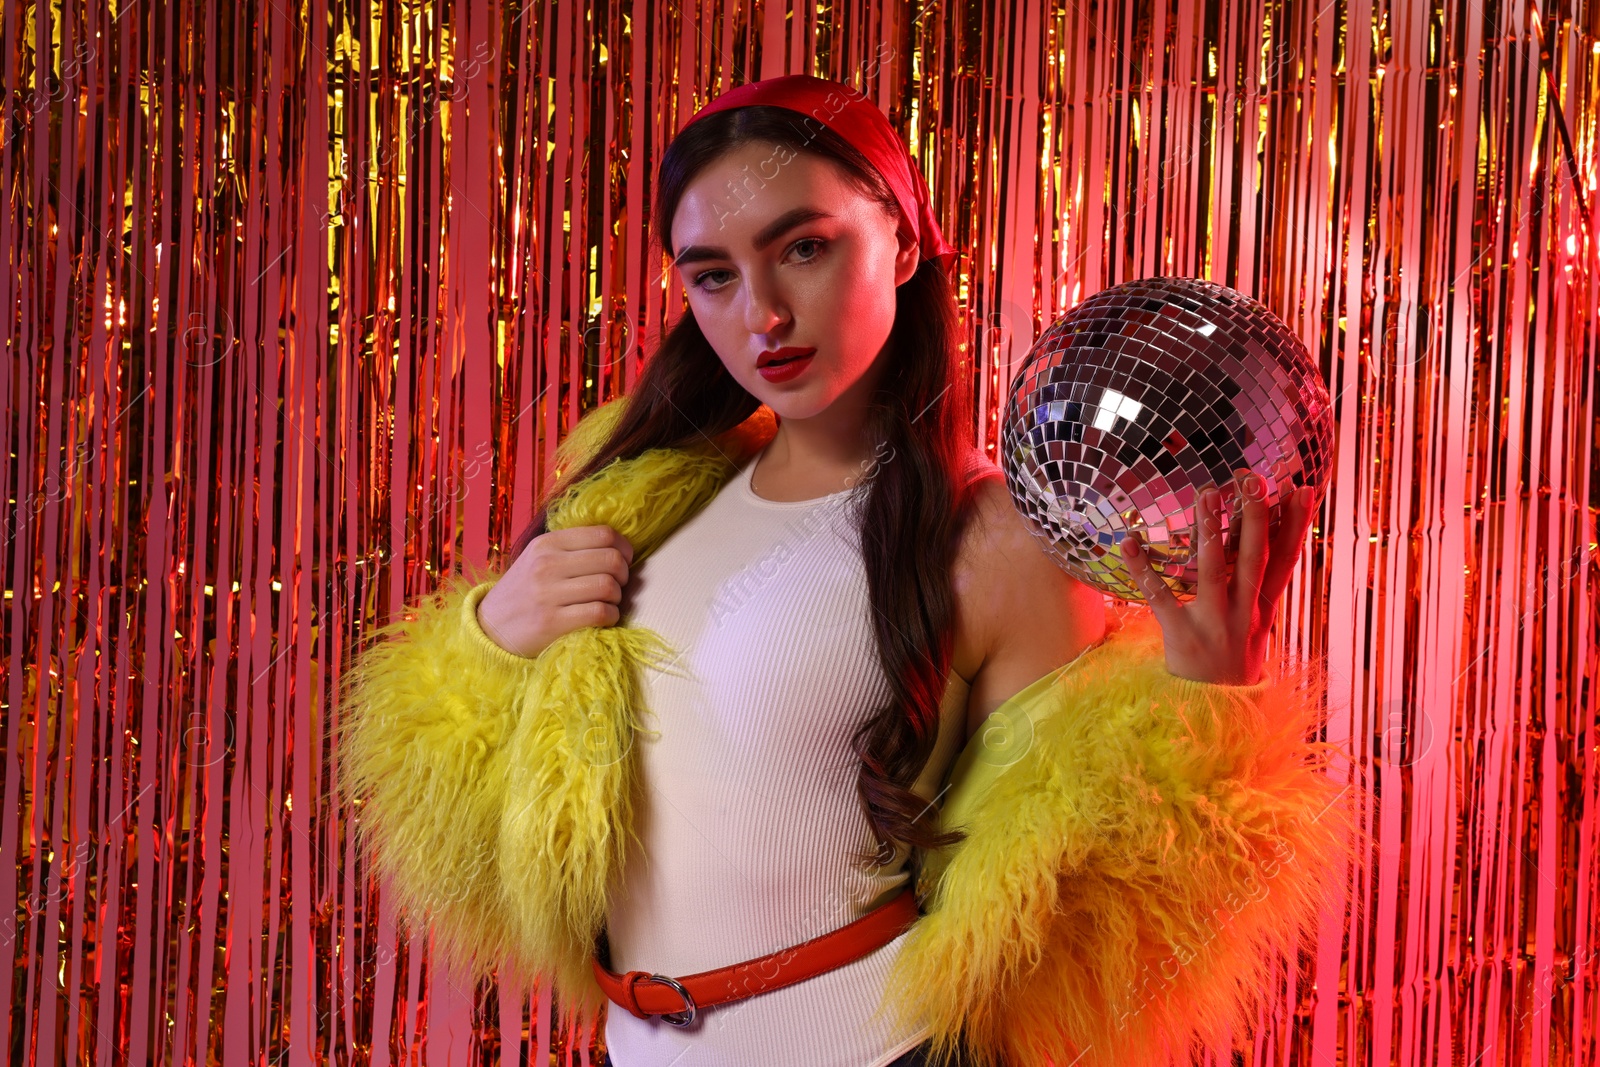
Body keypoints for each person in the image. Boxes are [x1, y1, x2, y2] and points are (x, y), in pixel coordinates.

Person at [338, 75, 1351, 1067]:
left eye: (805, 247)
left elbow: (1060, 901)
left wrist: (1206, 713)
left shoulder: (991, 537)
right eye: (714, 274)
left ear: (903, 241)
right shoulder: (640, 500)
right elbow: (495, 832)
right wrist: (484, 642)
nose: (763, 313)